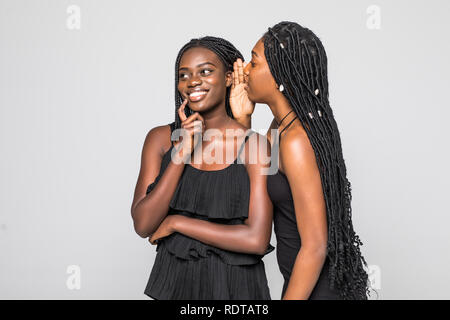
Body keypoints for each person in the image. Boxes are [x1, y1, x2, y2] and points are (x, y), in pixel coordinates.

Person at [230, 21, 371, 299]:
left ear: (281, 74)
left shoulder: (297, 140)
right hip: (301, 285)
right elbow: (254, 181)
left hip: (317, 290)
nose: (245, 69)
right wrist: (242, 120)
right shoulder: (280, 127)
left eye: (254, 63)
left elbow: (316, 247)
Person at [130, 36, 274, 300]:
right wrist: (182, 151)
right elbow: (143, 224)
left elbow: (257, 240)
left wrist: (176, 223)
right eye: (183, 75)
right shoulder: (160, 139)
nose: (192, 82)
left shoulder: (255, 146)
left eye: (205, 71)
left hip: (236, 290)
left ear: (230, 78)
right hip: (174, 289)